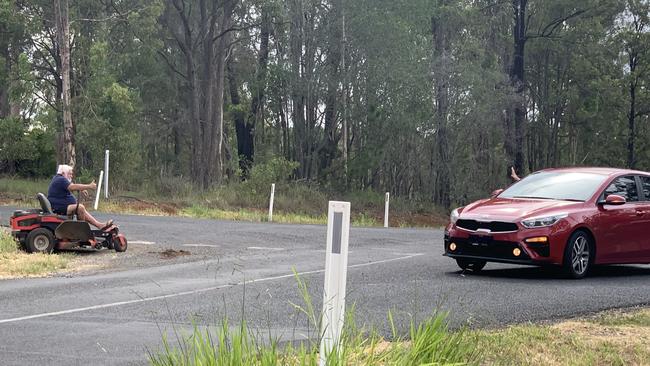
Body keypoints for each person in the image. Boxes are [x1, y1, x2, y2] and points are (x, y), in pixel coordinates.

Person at [47, 164, 114, 230]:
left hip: (60, 206)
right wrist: (89, 186)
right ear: (63, 173)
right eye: (69, 174)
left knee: (81, 209)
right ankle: (81, 231)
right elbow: (72, 187)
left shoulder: (59, 178)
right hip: (58, 207)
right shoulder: (60, 179)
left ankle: (99, 225)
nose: (71, 176)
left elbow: (72, 185)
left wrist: (81, 189)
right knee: (80, 208)